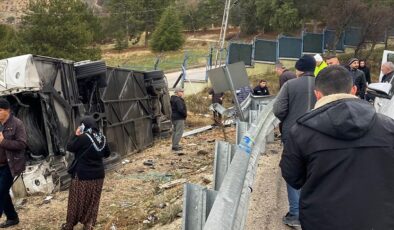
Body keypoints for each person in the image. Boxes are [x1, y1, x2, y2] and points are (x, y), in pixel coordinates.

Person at [280, 65, 394, 230]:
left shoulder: (301, 131)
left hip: (322, 220)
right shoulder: (388, 127)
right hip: (379, 221)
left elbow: (293, 177)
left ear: (317, 94)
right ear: (354, 90)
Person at [273, 55, 317, 227]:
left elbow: (278, 109)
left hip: (293, 135)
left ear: (298, 69)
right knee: (315, 171)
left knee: (293, 172)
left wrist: (289, 119)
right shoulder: (322, 84)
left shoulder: (290, 85)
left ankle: (295, 214)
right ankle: (311, 210)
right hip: (319, 135)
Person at [62, 116, 110, 230]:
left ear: (83, 126)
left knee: (76, 201)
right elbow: (107, 153)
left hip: (82, 176)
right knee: (93, 201)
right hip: (98, 176)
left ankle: (69, 225)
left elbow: (69, 146)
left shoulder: (83, 137)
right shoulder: (102, 138)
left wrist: (76, 133)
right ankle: (89, 224)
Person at [0, 98, 26, 228]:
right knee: (3, 192)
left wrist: (3, 142)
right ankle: (12, 217)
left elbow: (22, 144)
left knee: (0, 191)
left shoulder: (17, 124)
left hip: (10, 166)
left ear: (7, 110)